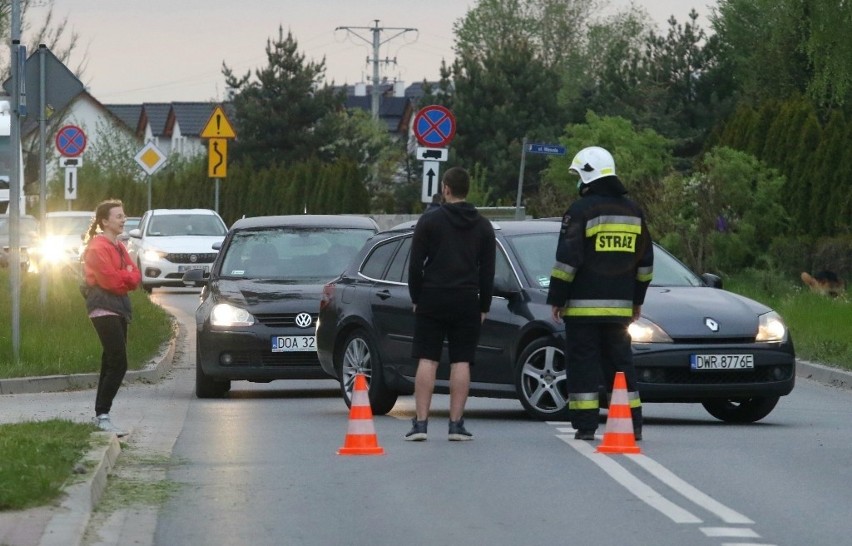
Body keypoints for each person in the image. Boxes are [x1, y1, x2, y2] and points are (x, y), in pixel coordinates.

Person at [546, 146, 654, 441]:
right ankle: (632, 423)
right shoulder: (634, 212)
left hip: (582, 310)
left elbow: (567, 260)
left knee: (583, 365)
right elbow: (645, 264)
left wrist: (557, 298)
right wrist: (637, 300)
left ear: (587, 175)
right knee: (621, 365)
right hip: (620, 310)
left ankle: (586, 425)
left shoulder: (580, 211)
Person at [406, 166, 496, 441]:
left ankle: (421, 424)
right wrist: (484, 306)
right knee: (461, 361)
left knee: (427, 359)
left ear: (445, 188)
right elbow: (487, 271)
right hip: (467, 299)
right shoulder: (483, 226)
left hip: (432, 297)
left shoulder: (429, 221)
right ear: (467, 190)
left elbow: (415, 265)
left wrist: (416, 297)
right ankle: (456, 425)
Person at [81, 199, 141, 437]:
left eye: (123, 215)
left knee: (110, 362)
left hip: (118, 308)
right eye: (118, 216)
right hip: (103, 307)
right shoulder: (98, 247)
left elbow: (136, 276)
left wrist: (127, 275)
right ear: (104, 221)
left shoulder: (118, 245)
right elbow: (109, 281)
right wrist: (125, 275)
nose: (123, 219)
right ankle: (103, 416)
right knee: (118, 362)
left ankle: (101, 416)